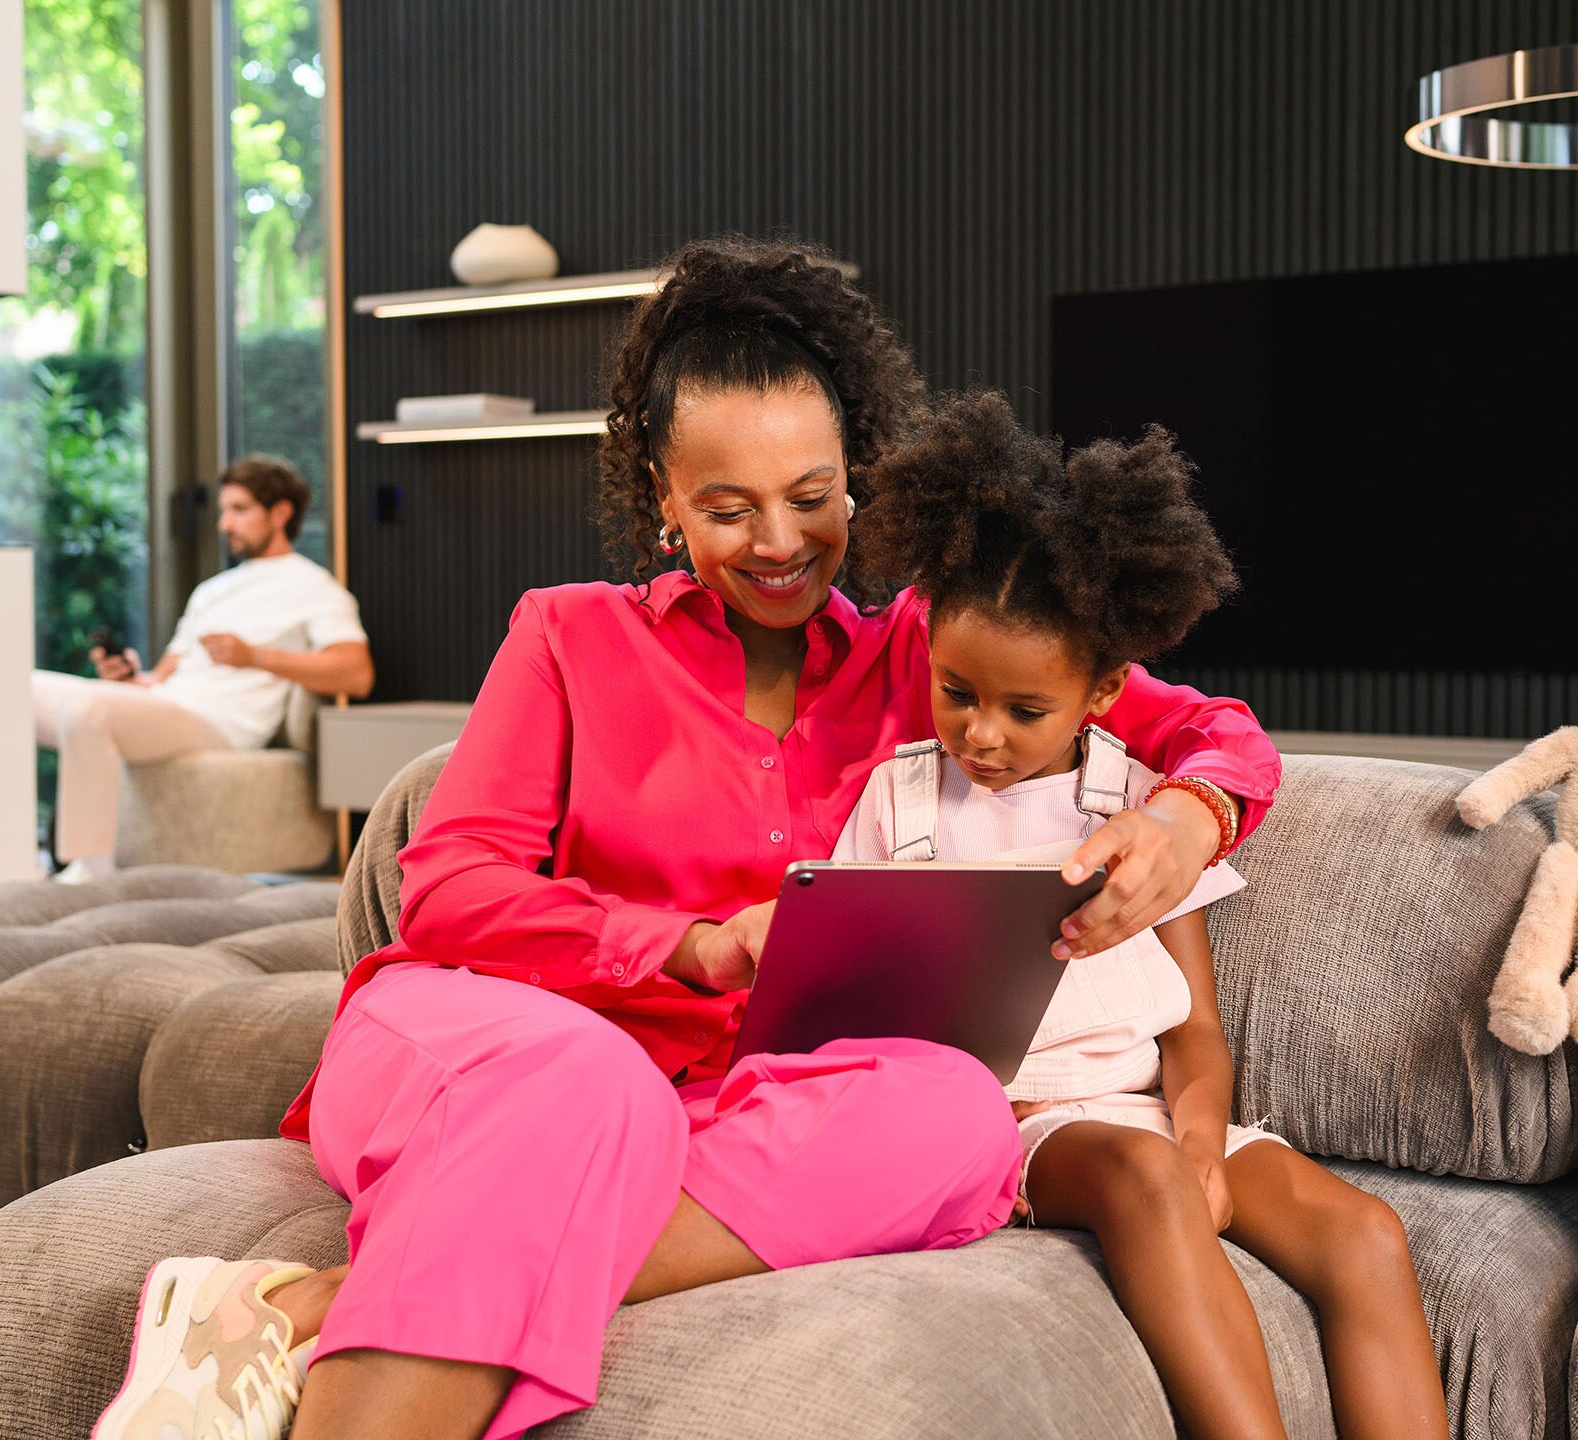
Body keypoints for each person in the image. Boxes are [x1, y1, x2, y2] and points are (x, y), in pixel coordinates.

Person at [89, 240, 1283, 1440]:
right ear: (662, 495)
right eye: (727, 506)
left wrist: (1192, 812)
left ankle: (308, 1308)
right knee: (590, 1083)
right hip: (485, 1046)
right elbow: (450, 892)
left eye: (811, 497)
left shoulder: (925, 656)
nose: (778, 542)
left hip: (723, 1106)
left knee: (959, 1115)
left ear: (855, 480)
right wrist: (693, 947)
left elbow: (1211, 730)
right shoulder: (567, 638)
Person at [834, 392, 1448, 1440]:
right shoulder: (895, 806)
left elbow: (1194, 1033)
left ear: (1106, 691)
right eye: (955, 692)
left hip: (1157, 1116)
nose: (981, 736)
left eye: (1024, 711)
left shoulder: (1145, 810)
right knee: (1145, 1174)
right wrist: (1167, 1162)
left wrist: (1205, 1145)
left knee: (1367, 1235)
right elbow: (860, 1014)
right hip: (1024, 1126)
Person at [31, 455, 374, 882]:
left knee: (87, 708)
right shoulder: (212, 591)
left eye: (239, 510)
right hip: (171, 706)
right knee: (15, 688)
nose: (224, 524)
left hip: (221, 724)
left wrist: (257, 657)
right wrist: (130, 680)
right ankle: (3, 851)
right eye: (224, 511)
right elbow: (162, 678)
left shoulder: (315, 588)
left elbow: (356, 673)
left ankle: (90, 870)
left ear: (281, 513)